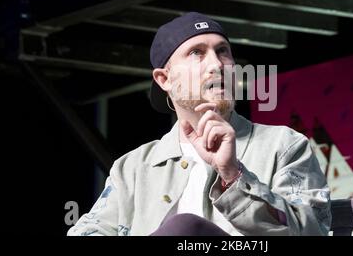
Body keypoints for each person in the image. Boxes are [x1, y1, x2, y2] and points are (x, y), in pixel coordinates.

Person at [67, 12, 331, 236]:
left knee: (185, 229)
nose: (217, 64)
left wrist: (233, 175)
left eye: (223, 52)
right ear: (164, 79)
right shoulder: (134, 167)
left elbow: (311, 230)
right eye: (197, 53)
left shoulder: (284, 146)